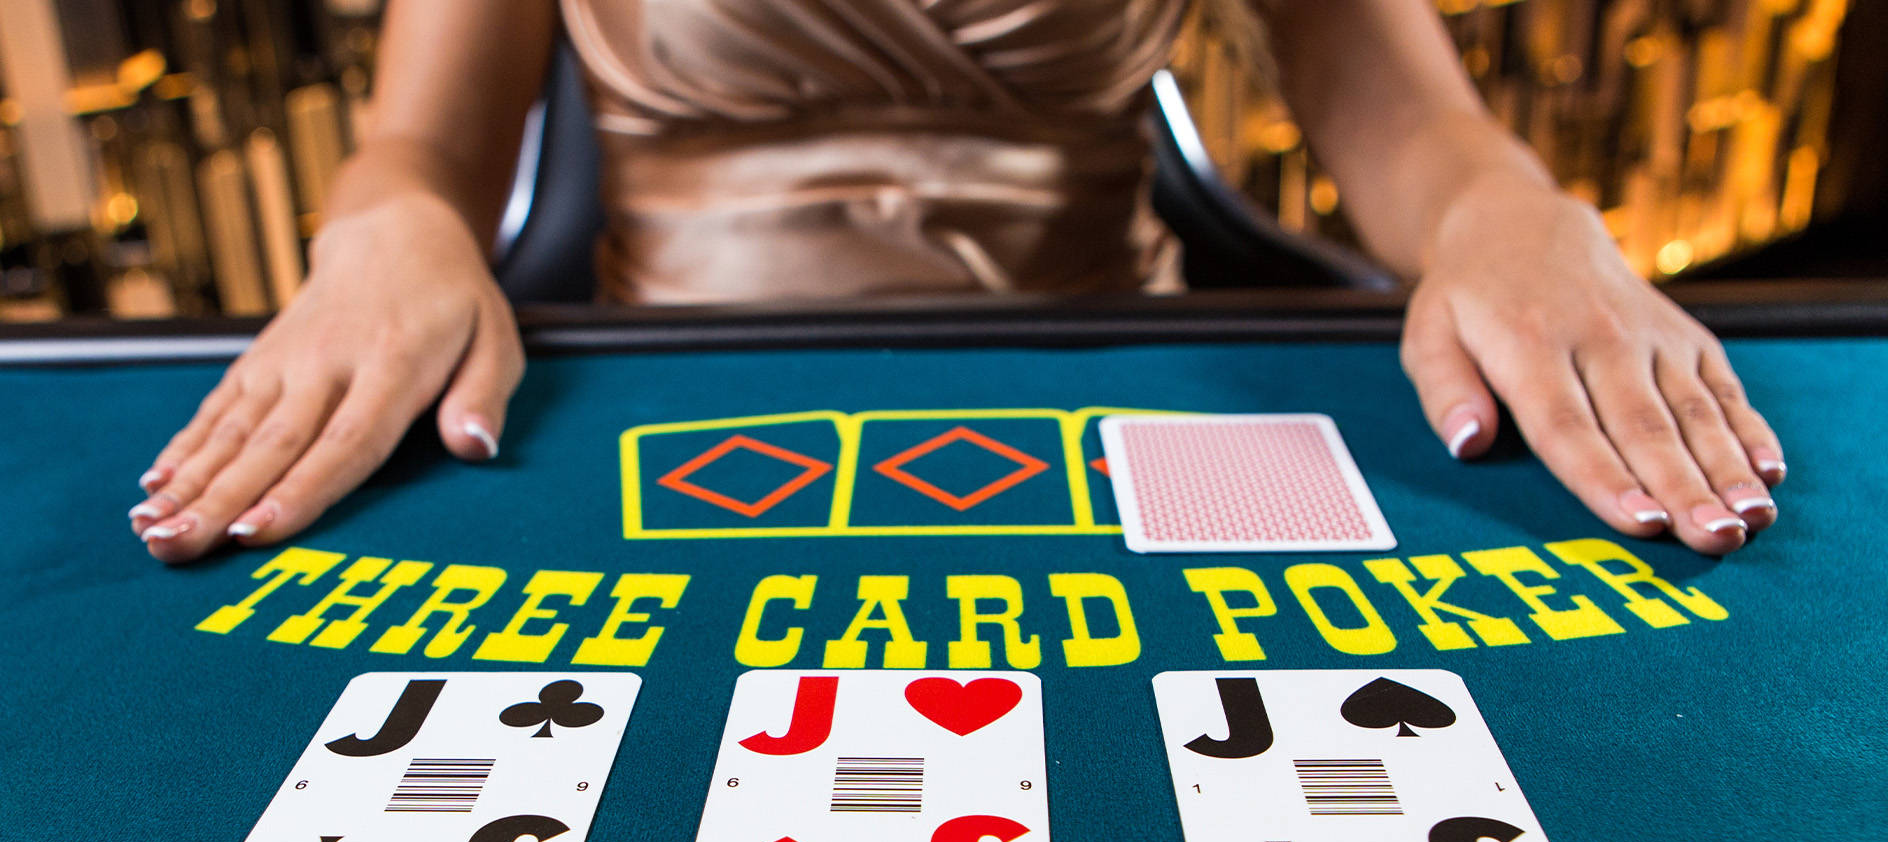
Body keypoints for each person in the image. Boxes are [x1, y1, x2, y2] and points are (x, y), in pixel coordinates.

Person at [128, 0, 1784, 563]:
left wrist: (1514, 206)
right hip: (650, 412)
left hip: (1126, 397)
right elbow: (418, 150)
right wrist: (389, 235)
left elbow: (1416, 117)